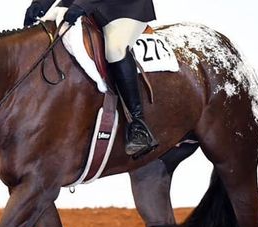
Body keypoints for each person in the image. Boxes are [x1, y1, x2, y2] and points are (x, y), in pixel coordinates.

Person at [24, 0, 159, 157]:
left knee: (114, 49)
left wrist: (82, 4)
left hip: (122, 7)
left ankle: (139, 126)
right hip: (82, 6)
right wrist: (39, 4)